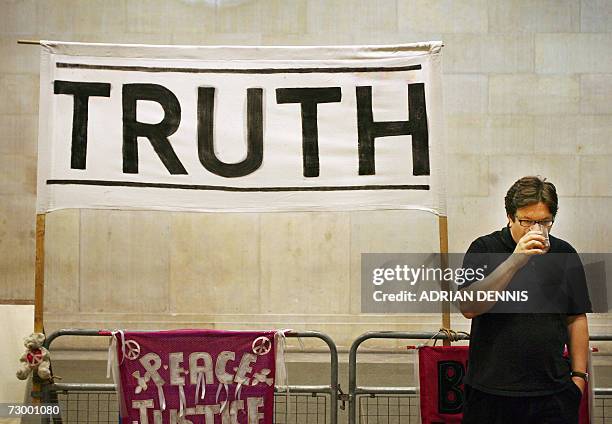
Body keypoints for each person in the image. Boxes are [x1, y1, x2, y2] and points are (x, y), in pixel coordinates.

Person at [458, 176, 592, 424]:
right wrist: (514, 262)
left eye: (544, 222)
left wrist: (578, 379)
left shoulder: (565, 253)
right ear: (510, 217)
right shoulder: (485, 248)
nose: (535, 230)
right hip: (491, 392)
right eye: (526, 222)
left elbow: (576, 317)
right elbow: (468, 307)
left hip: (553, 392)